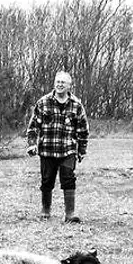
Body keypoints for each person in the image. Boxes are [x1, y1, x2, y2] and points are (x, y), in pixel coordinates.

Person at [26, 71, 89, 223]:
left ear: (69, 86)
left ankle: (70, 214)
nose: (60, 84)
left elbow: (83, 130)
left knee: (69, 178)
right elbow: (33, 127)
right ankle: (45, 211)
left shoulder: (76, 105)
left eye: (63, 82)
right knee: (47, 181)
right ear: (54, 83)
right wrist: (32, 144)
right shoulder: (43, 102)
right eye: (58, 81)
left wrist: (81, 151)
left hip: (68, 150)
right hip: (47, 149)